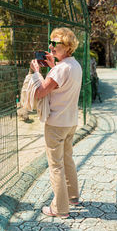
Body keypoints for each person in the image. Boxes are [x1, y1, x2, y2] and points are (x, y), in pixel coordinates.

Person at [30, 27, 82, 218]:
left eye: (55, 44)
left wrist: (36, 73)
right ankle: (73, 197)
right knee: (67, 158)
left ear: (67, 46)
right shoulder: (74, 65)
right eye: (50, 43)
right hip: (70, 122)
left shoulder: (60, 69)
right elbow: (62, 82)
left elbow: (40, 92)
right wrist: (53, 67)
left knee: (56, 165)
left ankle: (59, 209)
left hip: (56, 124)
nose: (50, 47)